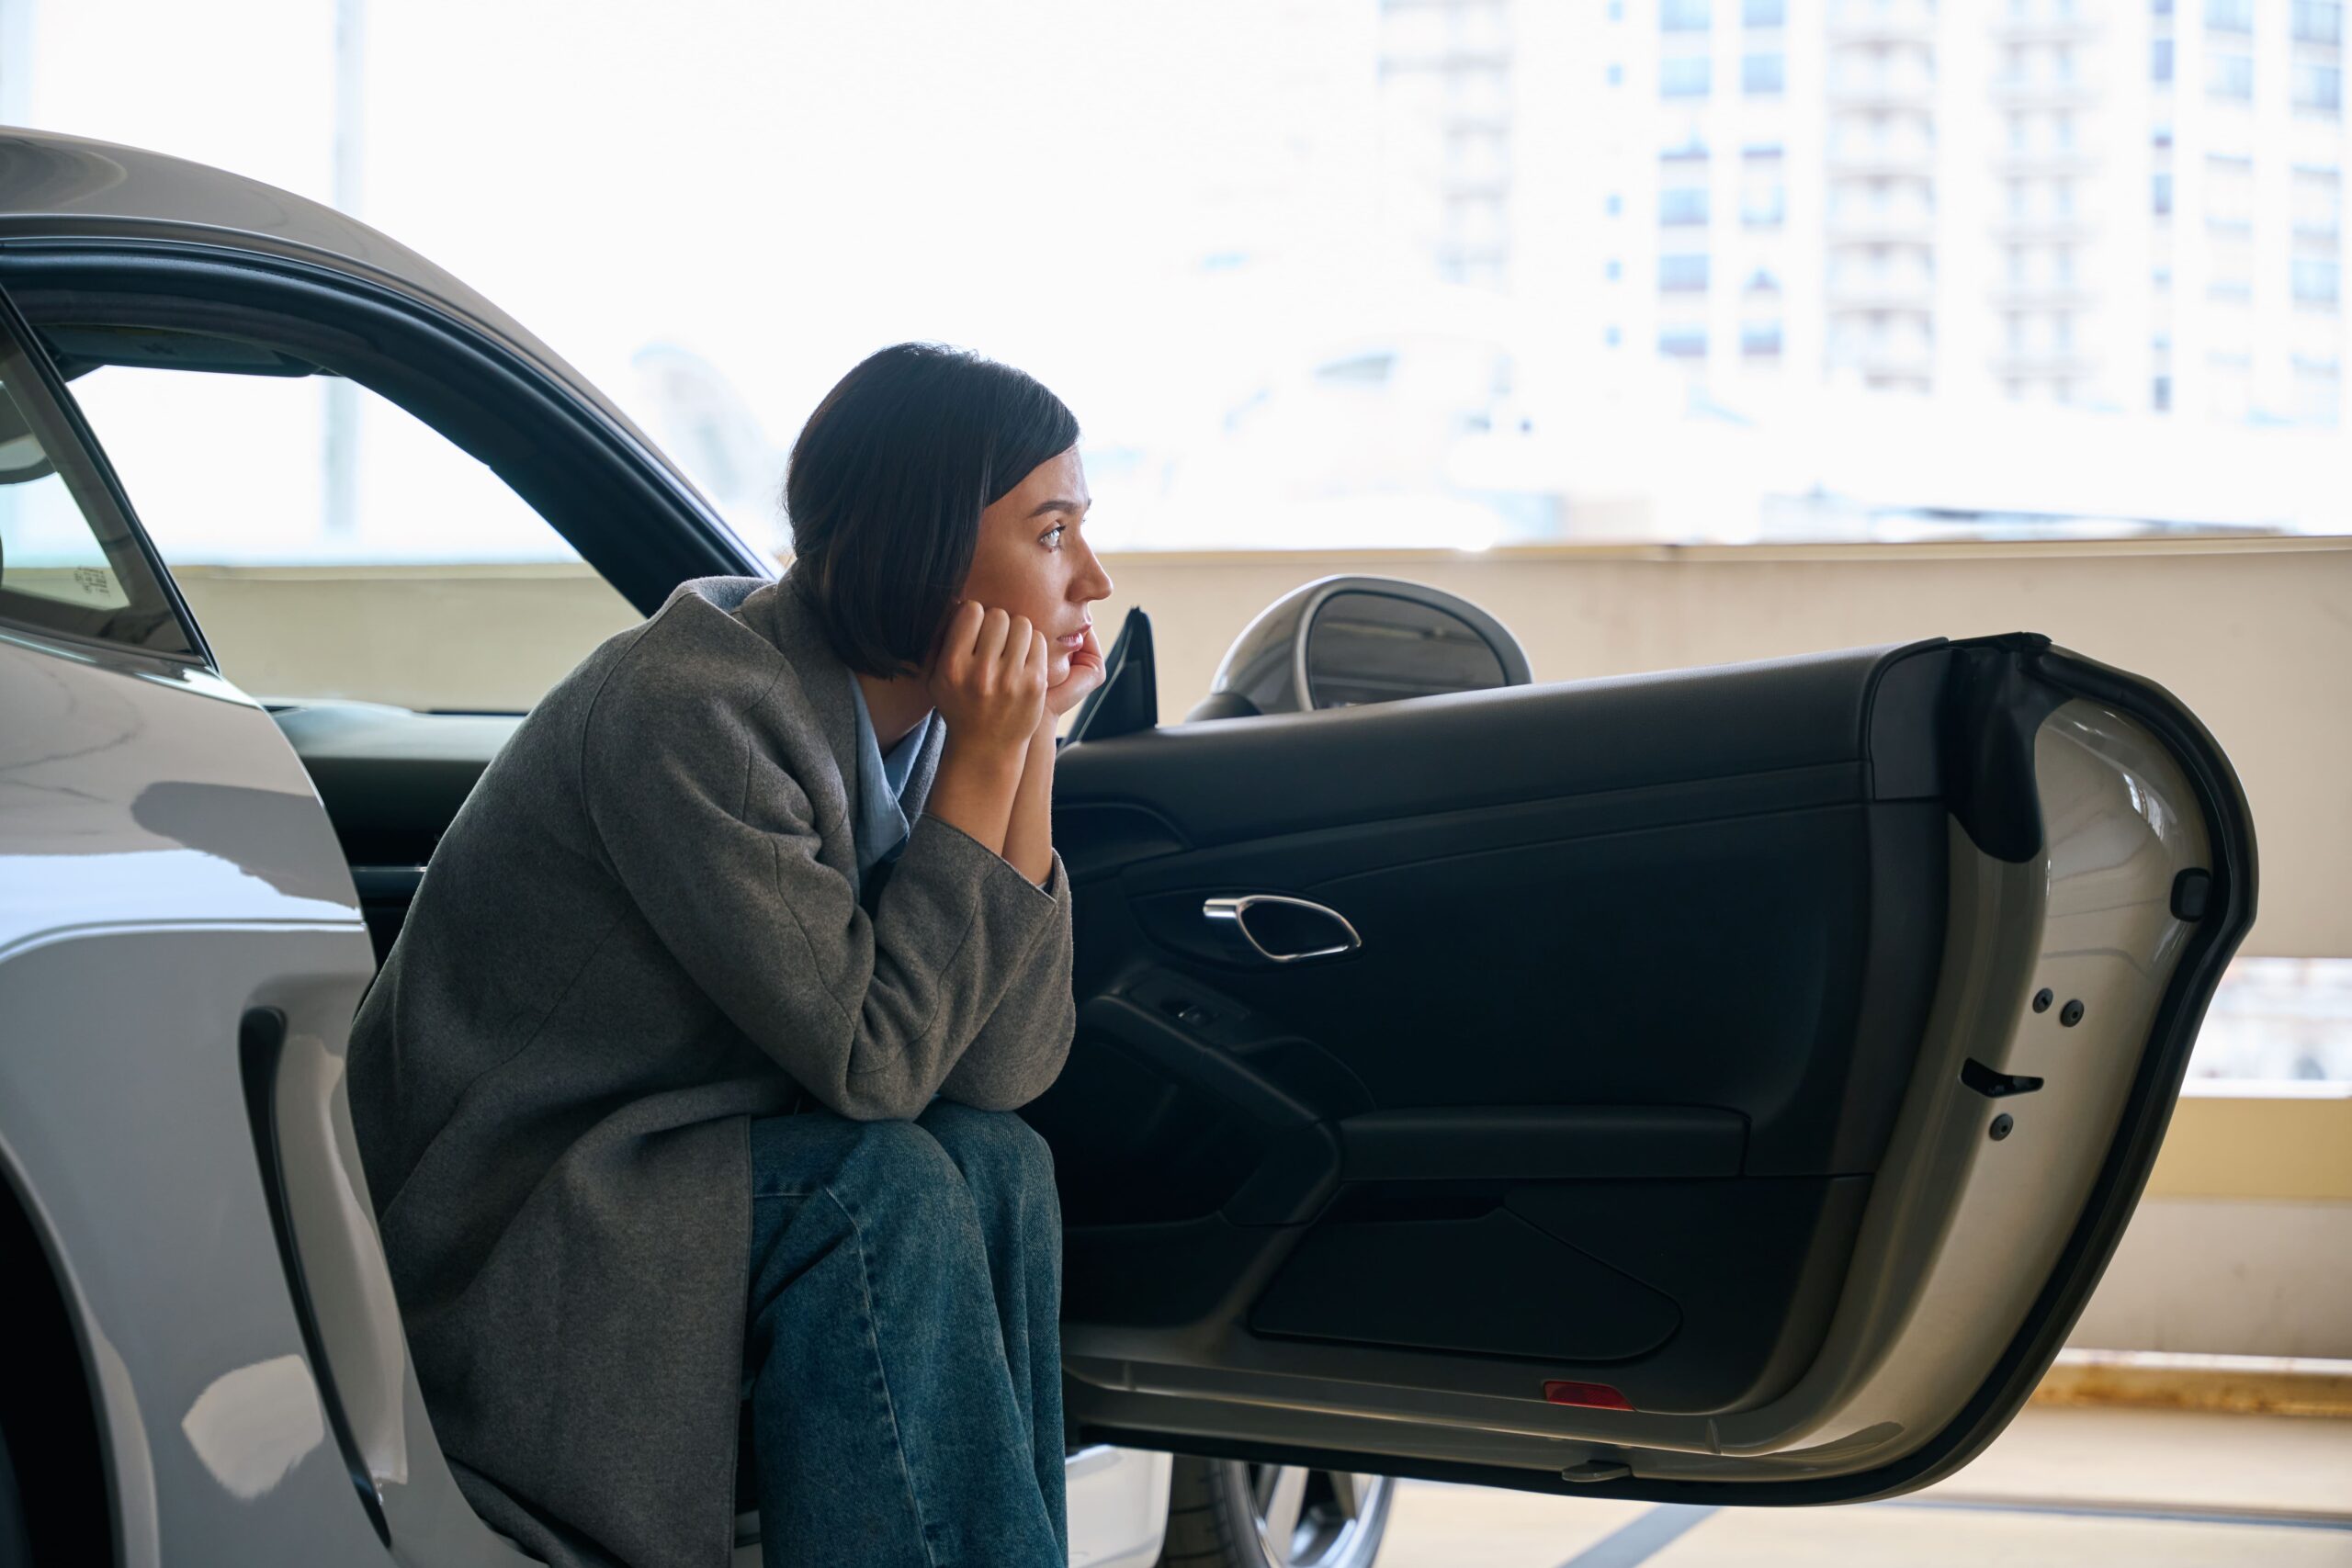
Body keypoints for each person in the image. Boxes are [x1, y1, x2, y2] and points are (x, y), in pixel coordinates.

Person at [345, 341, 1114, 1568]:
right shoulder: (693, 707)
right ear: (925, 539)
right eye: (1055, 532)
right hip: (522, 1228)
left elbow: (1001, 1072)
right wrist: (988, 758)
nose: (1096, 579)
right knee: (886, 1194)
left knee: (999, 1163)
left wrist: (1025, 754)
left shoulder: (921, 733)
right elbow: (876, 1071)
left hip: (680, 1188)